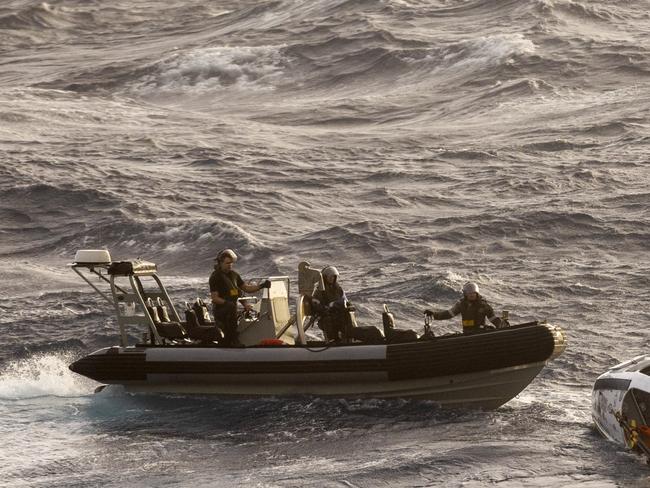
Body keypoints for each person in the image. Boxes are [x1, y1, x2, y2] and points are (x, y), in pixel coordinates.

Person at [209, 249, 271, 346]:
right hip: (221, 310)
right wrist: (227, 304)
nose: (230, 265)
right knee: (231, 309)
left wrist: (262, 286)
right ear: (220, 263)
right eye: (227, 263)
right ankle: (233, 340)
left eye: (231, 263)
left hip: (232, 309)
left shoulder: (234, 275)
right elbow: (215, 298)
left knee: (240, 310)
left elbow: (245, 288)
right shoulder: (215, 277)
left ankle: (237, 339)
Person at [425, 282, 507, 334]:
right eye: (469, 293)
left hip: (480, 333)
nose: (471, 295)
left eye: (473, 293)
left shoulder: (483, 305)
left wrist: (502, 325)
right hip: (467, 333)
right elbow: (449, 314)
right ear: (465, 294)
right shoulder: (461, 305)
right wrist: (433, 315)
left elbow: (493, 319)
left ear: (477, 293)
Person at [312, 266, 349, 342]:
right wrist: (324, 308)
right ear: (325, 277)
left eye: (333, 276)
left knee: (346, 317)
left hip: (337, 313)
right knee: (328, 320)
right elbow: (315, 304)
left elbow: (344, 300)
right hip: (325, 316)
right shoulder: (319, 291)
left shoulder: (338, 289)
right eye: (330, 276)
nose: (332, 278)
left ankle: (347, 339)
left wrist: (347, 305)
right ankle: (332, 340)